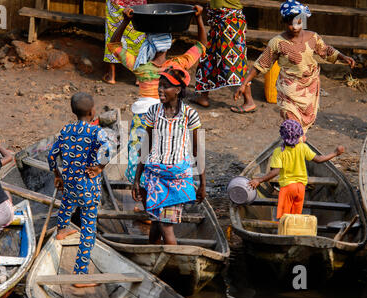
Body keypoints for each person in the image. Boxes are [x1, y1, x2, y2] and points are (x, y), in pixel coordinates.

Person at [107, 6, 207, 210]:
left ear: (149, 43)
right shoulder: (176, 66)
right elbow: (201, 45)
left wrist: (126, 21)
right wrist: (198, 19)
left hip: (143, 118)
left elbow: (113, 45)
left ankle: (146, 203)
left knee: (141, 159)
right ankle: (166, 199)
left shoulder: (140, 65)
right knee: (166, 156)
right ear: (168, 44)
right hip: (170, 118)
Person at [234, 0, 355, 139]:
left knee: (301, 131)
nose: (294, 27)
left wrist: (343, 57)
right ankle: (294, 151)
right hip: (288, 92)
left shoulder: (312, 37)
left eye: (298, 22)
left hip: (309, 90)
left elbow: (326, 51)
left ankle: (295, 153)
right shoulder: (277, 43)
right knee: (293, 129)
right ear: (284, 23)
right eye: (290, 23)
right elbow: (262, 64)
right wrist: (244, 83)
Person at [132, 67, 206, 245]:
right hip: (155, 177)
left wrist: (203, 183)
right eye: (160, 86)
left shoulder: (190, 114)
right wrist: (136, 179)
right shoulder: (154, 111)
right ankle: (152, 256)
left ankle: (177, 261)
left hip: (176, 178)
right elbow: (146, 145)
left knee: (166, 225)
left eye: (165, 86)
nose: (160, 90)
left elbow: (197, 150)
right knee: (156, 222)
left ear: (178, 90)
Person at [48, 92, 110, 287]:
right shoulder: (96, 132)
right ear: (92, 112)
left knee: (66, 204)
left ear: (73, 111)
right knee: (88, 228)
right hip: (88, 187)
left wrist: (57, 175)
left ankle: (61, 229)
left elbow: (51, 154)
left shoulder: (66, 129)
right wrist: (100, 167)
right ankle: (80, 274)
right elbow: (108, 150)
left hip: (70, 182)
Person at [249, 120, 344, 220]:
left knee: (284, 218)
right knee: (295, 217)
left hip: (287, 188)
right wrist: (335, 153)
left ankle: (284, 233)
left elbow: (275, 171)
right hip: (301, 188)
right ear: (298, 136)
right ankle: (294, 233)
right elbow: (319, 159)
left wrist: (259, 180)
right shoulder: (303, 147)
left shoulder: (279, 151)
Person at [193, 0, 256, 113]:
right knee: (209, 56)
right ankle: (203, 96)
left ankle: (249, 101)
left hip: (231, 21)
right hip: (218, 19)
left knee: (235, 61)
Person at [103, 0, 147, 84]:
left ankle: (111, 76)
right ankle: (138, 77)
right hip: (138, 4)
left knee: (113, 32)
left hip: (117, 3)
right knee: (137, 36)